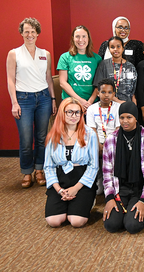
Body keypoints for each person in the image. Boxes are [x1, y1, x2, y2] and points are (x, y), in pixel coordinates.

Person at [6, 17, 57, 188]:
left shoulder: (45, 54)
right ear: (21, 33)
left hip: (43, 98)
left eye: (33, 32)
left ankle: (39, 170)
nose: (30, 34)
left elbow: (49, 78)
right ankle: (27, 172)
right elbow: (10, 80)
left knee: (42, 138)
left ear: (37, 34)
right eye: (26, 31)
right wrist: (14, 102)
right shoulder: (14, 53)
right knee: (26, 139)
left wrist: (53, 99)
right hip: (23, 99)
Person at [102, 102, 144, 234]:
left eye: (129, 117)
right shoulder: (111, 139)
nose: (125, 121)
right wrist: (110, 198)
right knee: (111, 225)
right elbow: (107, 173)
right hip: (119, 188)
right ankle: (124, 208)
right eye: (122, 118)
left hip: (140, 189)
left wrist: (143, 200)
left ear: (136, 118)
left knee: (132, 226)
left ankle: (135, 207)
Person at [43, 97, 99, 227]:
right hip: (60, 178)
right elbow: (48, 166)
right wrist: (58, 189)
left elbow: (94, 166)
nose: (74, 116)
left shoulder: (89, 134)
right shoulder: (53, 135)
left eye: (77, 112)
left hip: (82, 179)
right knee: (53, 221)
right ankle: (66, 202)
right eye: (70, 112)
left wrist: (75, 188)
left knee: (76, 221)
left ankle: (87, 201)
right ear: (62, 113)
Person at [86, 78, 121, 194]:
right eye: (103, 92)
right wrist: (99, 145)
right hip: (96, 141)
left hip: (113, 141)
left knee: (114, 151)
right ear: (98, 93)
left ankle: (113, 180)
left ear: (114, 94)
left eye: (110, 92)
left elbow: (118, 129)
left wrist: (108, 144)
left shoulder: (118, 108)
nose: (106, 95)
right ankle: (99, 179)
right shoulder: (92, 109)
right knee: (92, 151)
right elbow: (92, 130)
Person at [57, 25, 102, 111]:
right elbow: (62, 82)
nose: (81, 40)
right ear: (73, 39)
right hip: (70, 103)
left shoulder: (97, 59)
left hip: (92, 104)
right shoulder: (65, 57)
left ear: (88, 38)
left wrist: (89, 103)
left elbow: (99, 84)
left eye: (84, 36)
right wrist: (81, 101)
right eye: (77, 36)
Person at [93, 36, 137, 104]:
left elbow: (133, 93)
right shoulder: (104, 64)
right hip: (108, 104)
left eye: (118, 46)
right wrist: (118, 101)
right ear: (109, 49)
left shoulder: (131, 67)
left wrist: (134, 108)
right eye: (112, 47)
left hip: (127, 106)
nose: (115, 49)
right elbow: (98, 88)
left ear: (123, 48)